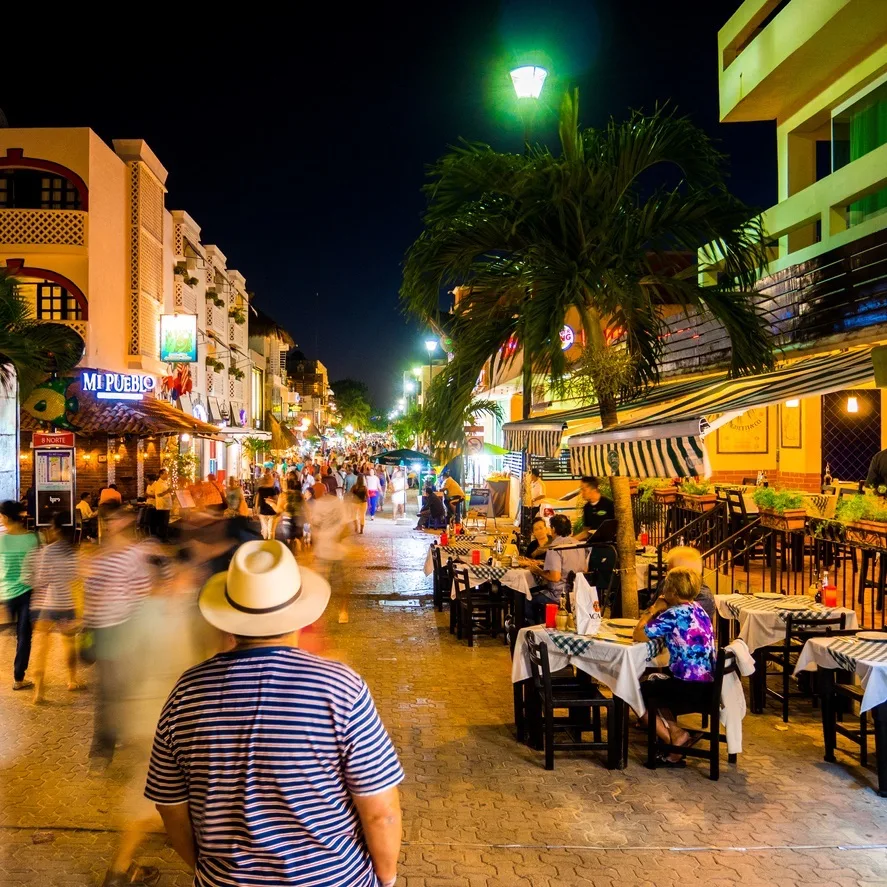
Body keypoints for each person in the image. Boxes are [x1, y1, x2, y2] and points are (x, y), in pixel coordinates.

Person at [145, 540, 404, 887]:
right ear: (299, 618)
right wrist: (386, 878)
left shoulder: (188, 691)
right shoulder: (340, 688)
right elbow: (380, 811)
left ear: (229, 621)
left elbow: (170, 806)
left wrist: (209, 870)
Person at [82, 504, 154, 762]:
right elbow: (90, 592)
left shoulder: (135, 554)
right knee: (107, 690)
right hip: (103, 628)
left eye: (114, 519)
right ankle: (101, 751)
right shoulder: (100, 554)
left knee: (121, 685)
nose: (110, 524)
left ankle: (118, 730)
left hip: (125, 627)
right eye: (107, 520)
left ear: (126, 521)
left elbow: (142, 591)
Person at [634, 566, 716, 765]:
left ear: (672, 592)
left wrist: (654, 608)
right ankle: (676, 734)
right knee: (655, 686)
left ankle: (672, 743)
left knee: (633, 692)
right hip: (708, 687)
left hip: (686, 688)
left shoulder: (674, 614)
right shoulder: (699, 608)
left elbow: (638, 634)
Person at [30, 511, 81, 702]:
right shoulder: (73, 551)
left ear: (57, 530)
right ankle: (72, 680)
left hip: (49, 603)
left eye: (52, 527)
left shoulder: (48, 551)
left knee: (42, 646)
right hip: (68, 604)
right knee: (69, 643)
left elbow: (41, 579)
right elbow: (77, 578)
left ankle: (39, 691)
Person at [0, 500, 39, 690]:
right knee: (24, 637)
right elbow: (37, 568)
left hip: (6, 594)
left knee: (16, 634)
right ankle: (18, 678)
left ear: (6, 517)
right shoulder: (33, 539)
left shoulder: (1, 539)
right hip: (26, 593)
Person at [524, 513, 589, 622]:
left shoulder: (555, 548)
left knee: (527, 598)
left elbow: (555, 577)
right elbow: (585, 570)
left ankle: (532, 632)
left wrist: (538, 571)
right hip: (578, 594)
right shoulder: (579, 545)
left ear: (553, 529)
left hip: (559, 597)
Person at [310, 482, 350, 623]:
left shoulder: (320, 505)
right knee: (334, 582)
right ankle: (340, 611)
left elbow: (315, 525)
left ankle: (341, 610)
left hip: (330, 549)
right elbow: (345, 525)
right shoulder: (336, 503)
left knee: (334, 582)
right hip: (327, 548)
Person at [648, 545, 715, 620]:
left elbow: (673, 622)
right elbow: (650, 606)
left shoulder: (703, 597)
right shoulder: (667, 582)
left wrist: (654, 610)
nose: (667, 572)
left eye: (671, 569)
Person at [575, 476, 615, 540]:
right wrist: (571, 540)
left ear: (593, 490)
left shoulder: (608, 504)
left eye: (583, 489)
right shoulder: (587, 507)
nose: (581, 492)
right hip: (593, 545)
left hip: (609, 544)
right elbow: (586, 531)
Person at [254, 471, 279, 540]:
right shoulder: (272, 489)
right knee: (270, 531)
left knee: (265, 530)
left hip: (263, 512)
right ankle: (270, 544)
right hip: (271, 512)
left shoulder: (261, 489)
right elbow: (277, 501)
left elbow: (257, 500)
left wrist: (256, 510)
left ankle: (265, 542)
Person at [153, 469, 173, 541]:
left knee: (165, 522)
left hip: (166, 505)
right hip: (162, 506)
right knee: (163, 523)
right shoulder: (158, 483)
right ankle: (163, 538)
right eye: (165, 474)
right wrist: (168, 491)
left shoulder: (165, 482)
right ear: (160, 475)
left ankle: (164, 536)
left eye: (167, 474)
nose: (167, 475)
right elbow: (159, 494)